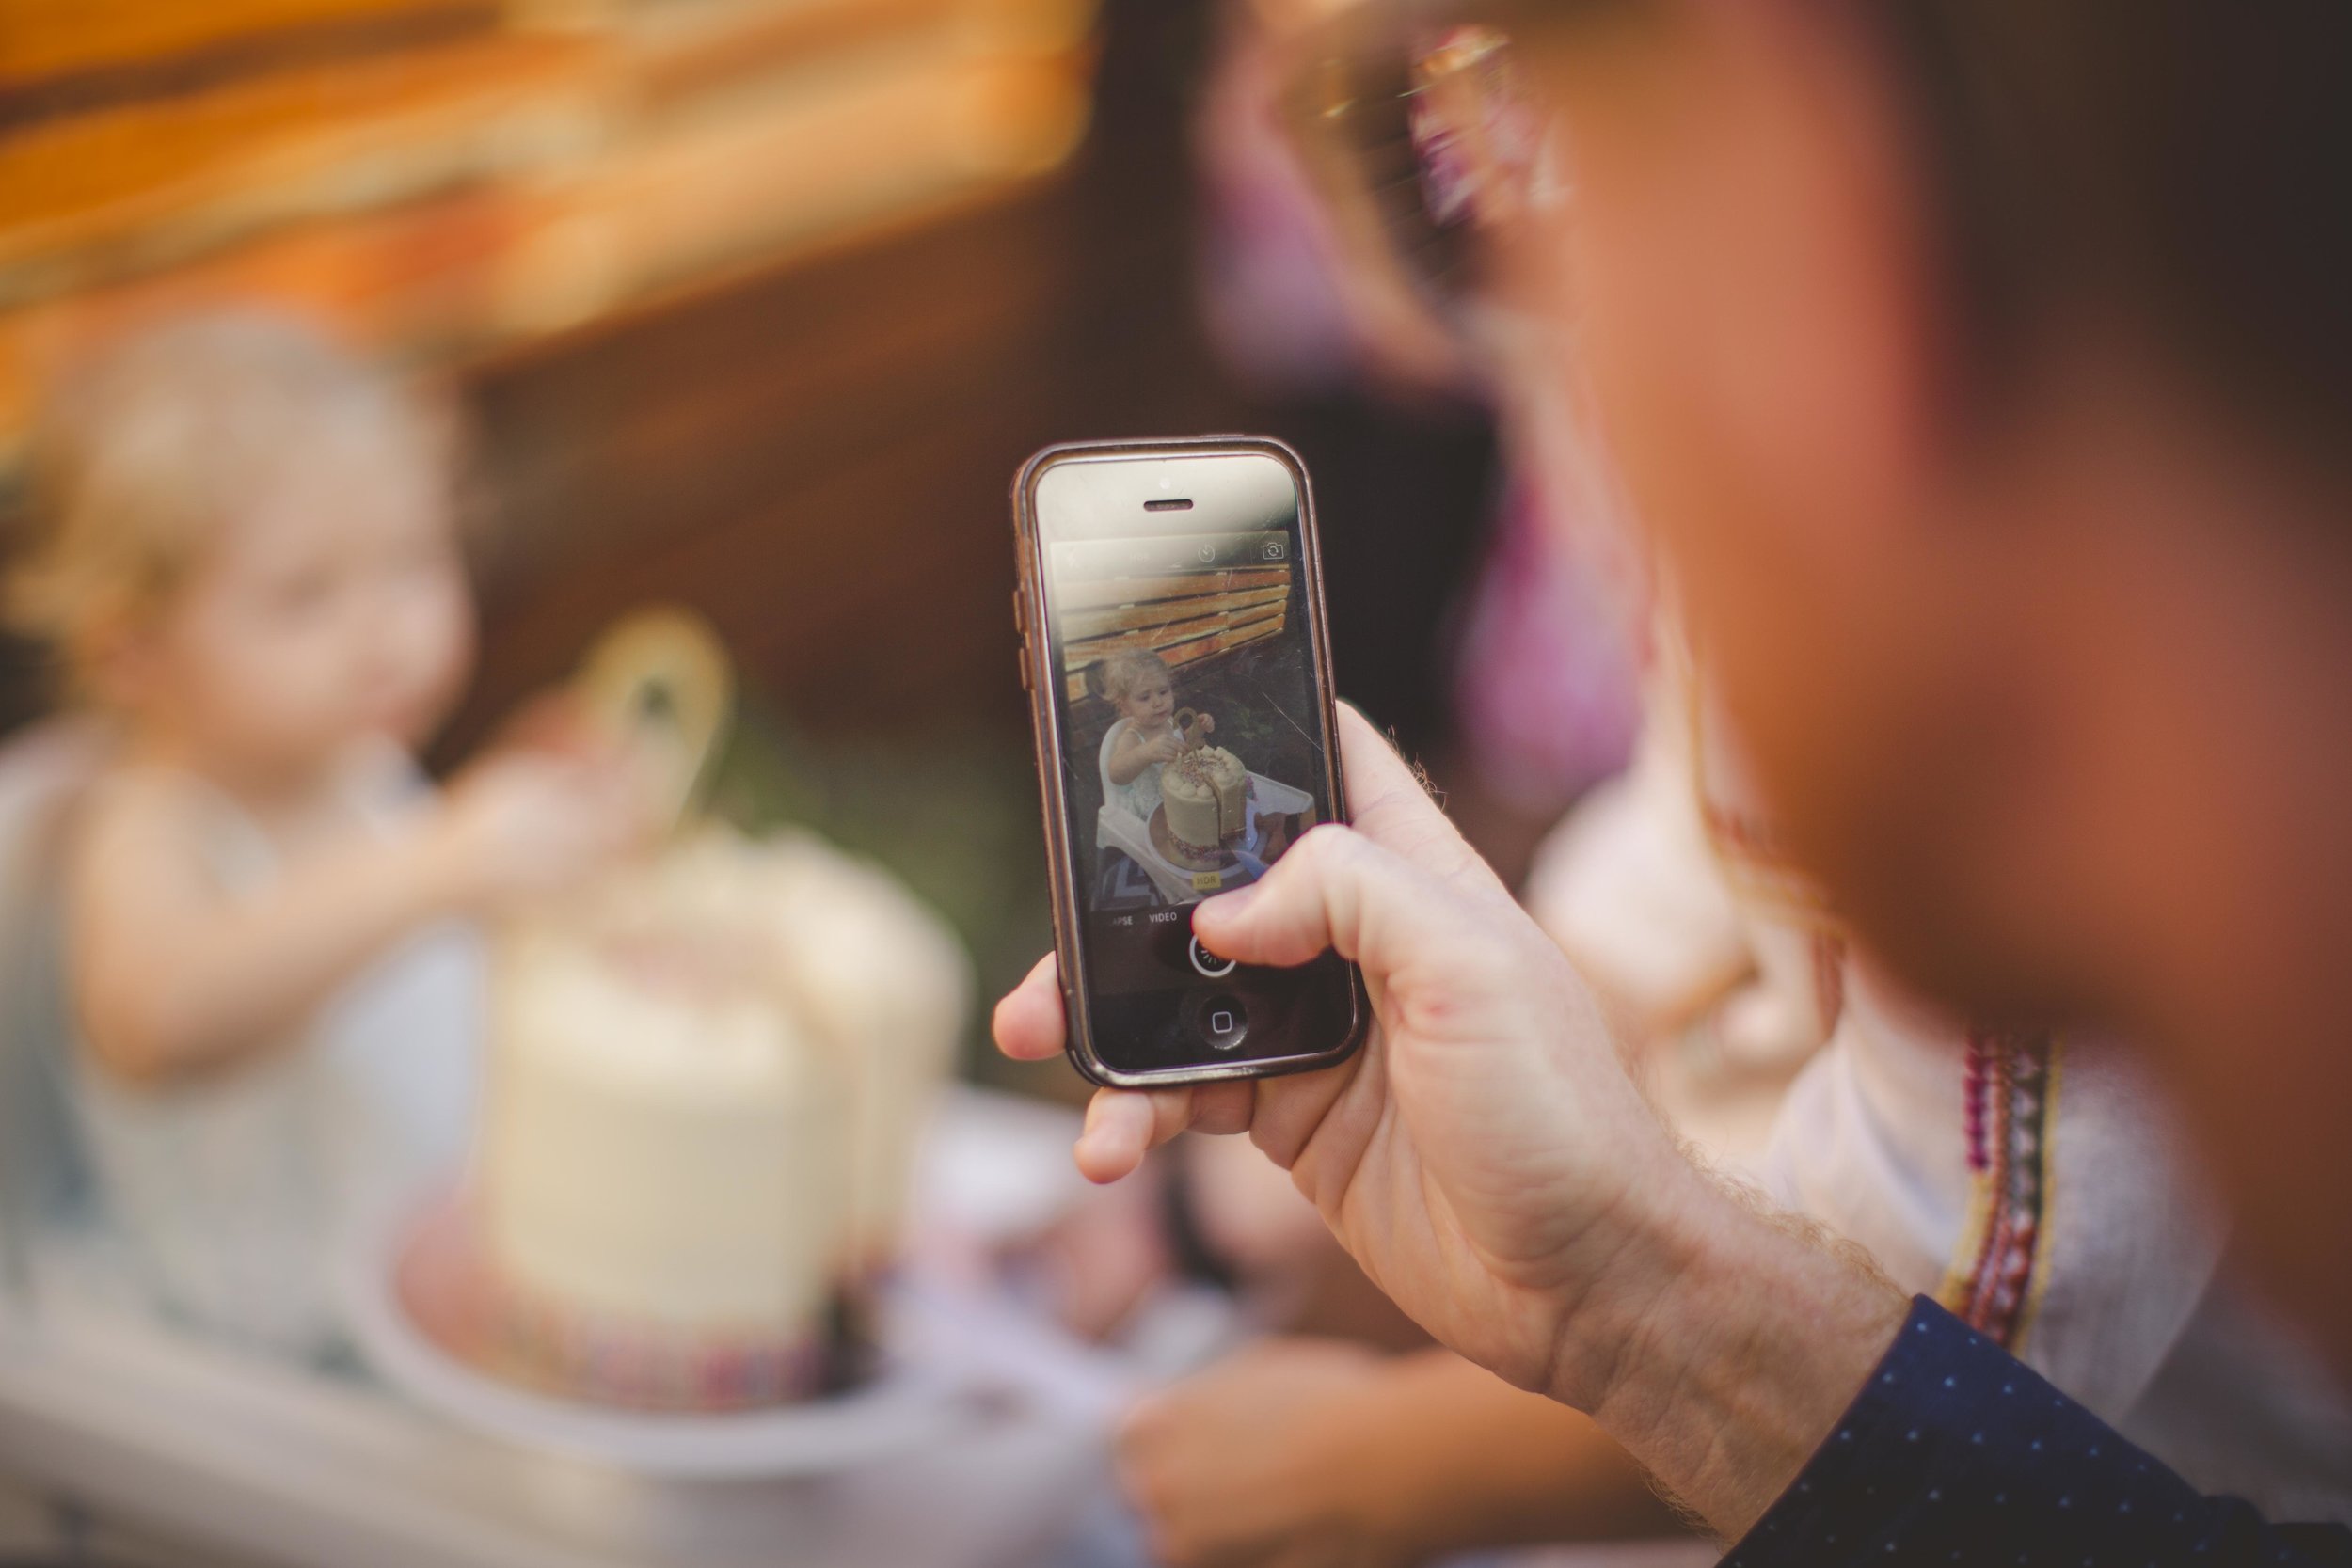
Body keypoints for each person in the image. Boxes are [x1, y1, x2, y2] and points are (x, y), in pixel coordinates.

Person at [999, 0, 2352, 1560]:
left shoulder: (1929, 603)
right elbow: (1691, 844)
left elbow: (1987, 1307)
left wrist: (1405, 1453)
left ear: (1856, 287)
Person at [3, 309, 650, 1359]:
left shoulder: (349, 764)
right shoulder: (147, 821)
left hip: (423, 1272)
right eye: (306, 595)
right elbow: (156, 1018)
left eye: (410, 563)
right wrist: (442, 859)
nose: (386, 630)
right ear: (134, 651)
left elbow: (396, 932)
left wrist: (511, 810)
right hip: (261, 1347)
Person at [1101, 649, 1216, 826]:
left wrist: (1197, 730)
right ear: (1125, 707)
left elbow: (1183, 747)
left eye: (1163, 692)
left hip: (1181, 796)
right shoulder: (1132, 737)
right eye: (1145, 698)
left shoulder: (1169, 721)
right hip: (1153, 812)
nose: (1157, 702)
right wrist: (1145, 753)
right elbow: (1116, 774)